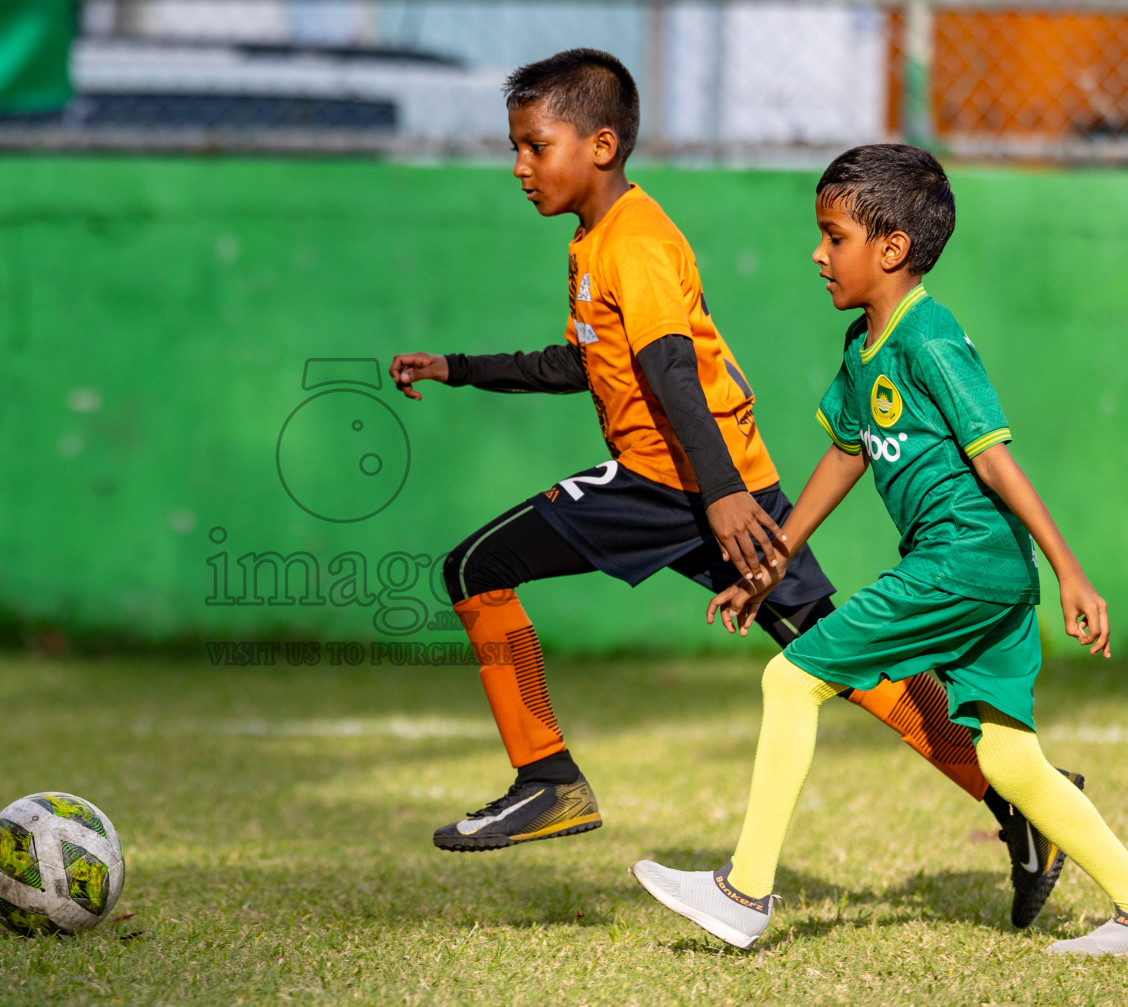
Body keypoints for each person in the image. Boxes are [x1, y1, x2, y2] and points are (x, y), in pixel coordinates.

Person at [390, 50, 1074, 927]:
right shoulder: (597, 242)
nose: (519, 166)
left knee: (474, 569)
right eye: (514, 148)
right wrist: (459, 367)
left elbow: (672, 371)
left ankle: (547, 778)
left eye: (533, 146)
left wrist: (716, 498)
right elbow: (586, 362)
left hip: (672, 483)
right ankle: (1021, 807)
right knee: (851, 664)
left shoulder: (634, 241)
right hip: (725, 481)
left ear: (601, 145)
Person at [631, 143, 1126, 955]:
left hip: (963, 557)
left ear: (890, 248)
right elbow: (848, 452)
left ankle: (743, 893)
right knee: (1008, 761)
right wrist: (773, 558)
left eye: (833, 237)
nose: (817, 255)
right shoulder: (865, 345)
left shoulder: (928, 335)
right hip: (988, 569)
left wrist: (1072, 570)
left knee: (790, 679)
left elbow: (995, 456)